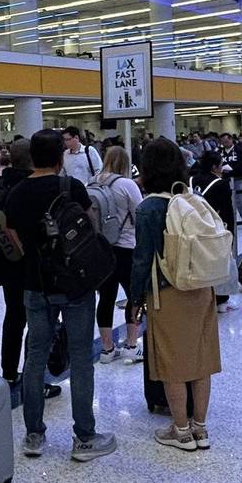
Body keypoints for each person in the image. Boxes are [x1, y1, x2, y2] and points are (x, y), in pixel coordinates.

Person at [5, 129, 117, 462]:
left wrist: (32, 255)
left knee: (36, 356)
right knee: (82, 357)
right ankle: (84, 437)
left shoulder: (17, 192)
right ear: (59, 158)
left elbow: (11, 233)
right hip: (75, 285)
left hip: (34, 284)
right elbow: (89, 226)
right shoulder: (72, 187)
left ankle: (33, 435)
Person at [129, 137, 222, 452]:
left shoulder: (148, 208)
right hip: (201, 287)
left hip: (166, 292)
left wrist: (134, 298)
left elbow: (142, 259)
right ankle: (201, 428)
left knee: (172, 363)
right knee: (201, 360)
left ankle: (180, 430)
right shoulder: (190, 199)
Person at [0, 140, 62, 401]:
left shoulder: (2, 185)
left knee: (13, 317)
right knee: (38, 325)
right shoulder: (33, 188)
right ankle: (36, 378)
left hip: (8, 264)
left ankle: (9, 372)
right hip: (36, 268)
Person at [94, 146, 145, 365]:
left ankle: (107, 349)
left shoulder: (92, 181)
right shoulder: (127, 184)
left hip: (102, 250)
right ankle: (131, 346)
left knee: (105, 298)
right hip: (127, 248)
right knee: (134, 296)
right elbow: (140, 213)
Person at [190, 152, 237, 314]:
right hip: (213, 229)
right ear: (214, 167)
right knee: (218, 264)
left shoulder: (190, 180)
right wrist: (230, 234)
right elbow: (227, 212)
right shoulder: (221, 184)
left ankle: (199, 297)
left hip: (193, 229)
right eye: (220, 164)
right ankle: (221, 301)